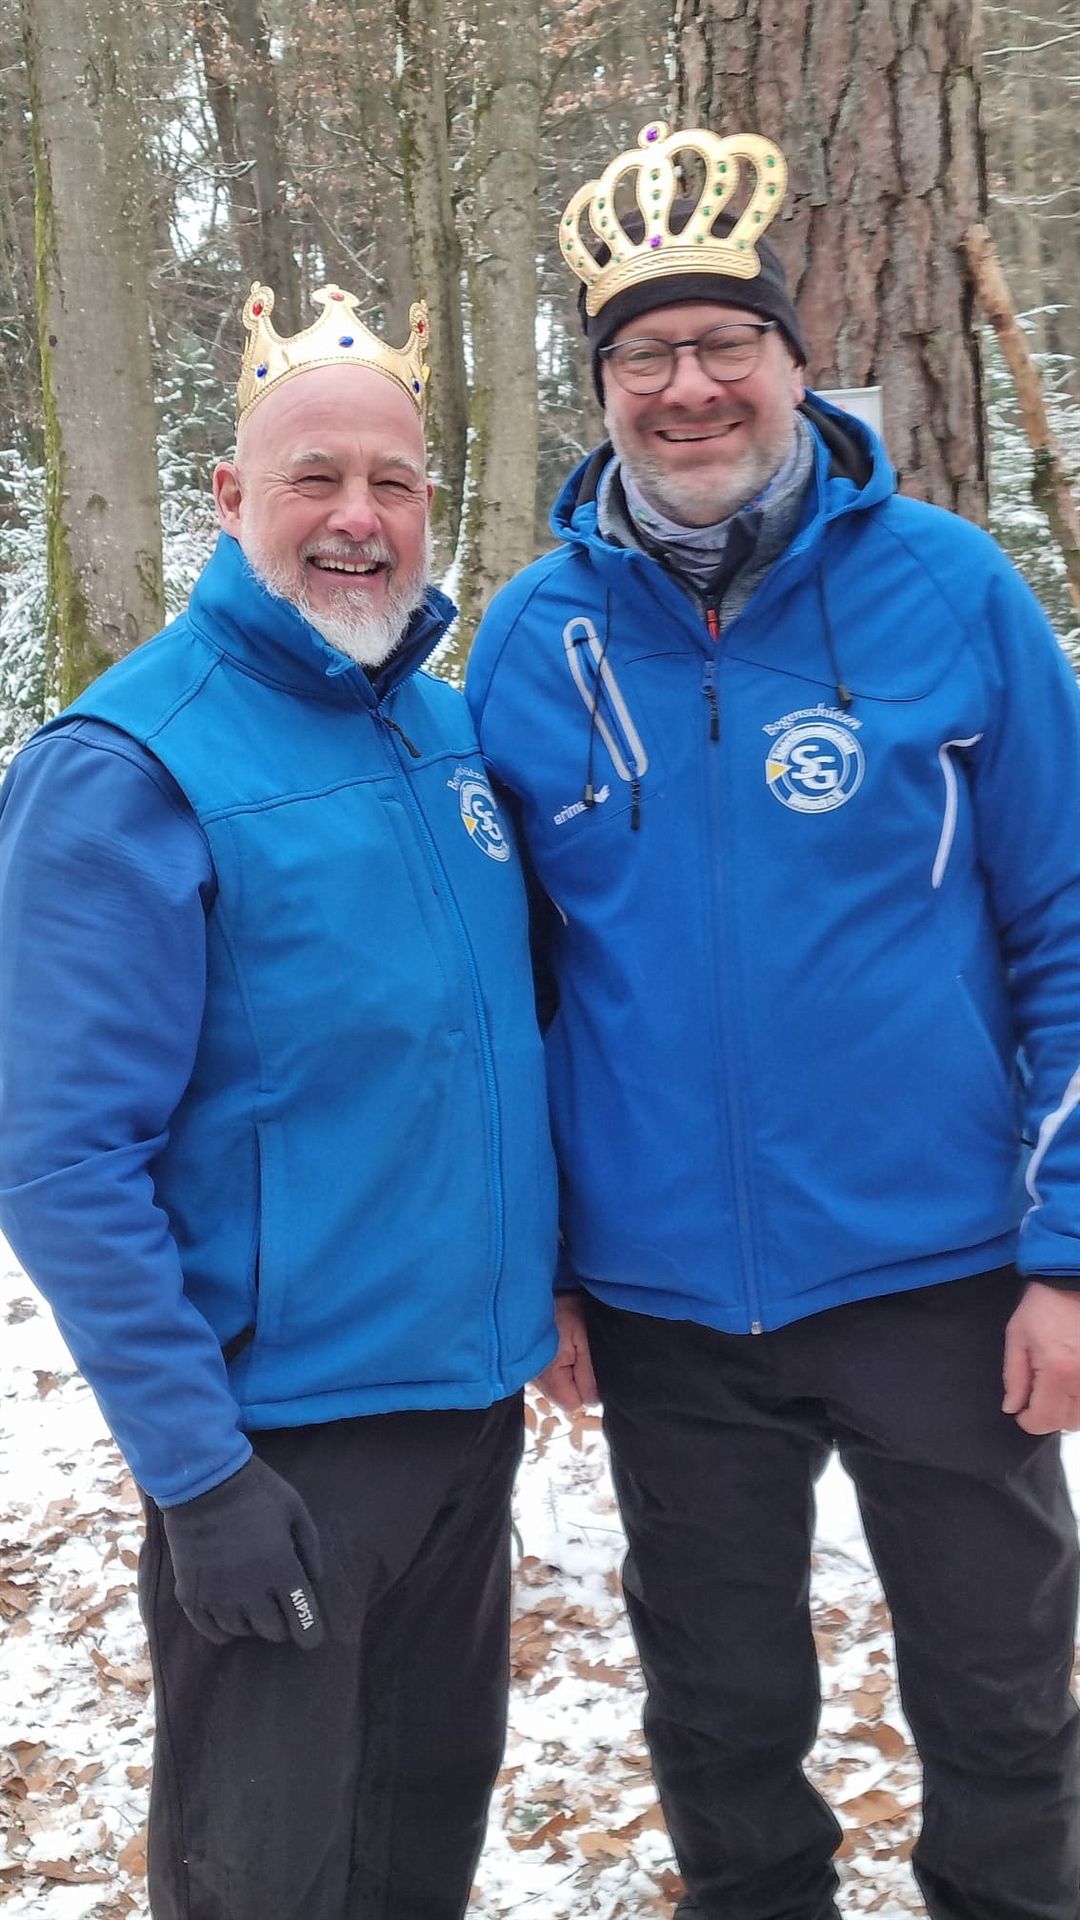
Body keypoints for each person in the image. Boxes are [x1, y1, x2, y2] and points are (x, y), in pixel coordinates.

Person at [466, 117, 1080, 1920]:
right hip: (663, 1298)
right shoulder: (531, 640)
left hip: (940, 1269)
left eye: (727, 341)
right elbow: (510, 989)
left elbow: (1067, 921)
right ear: (601, 390)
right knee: (722, 1716)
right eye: (644, 355)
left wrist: (1066, 1251)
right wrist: (544, 1268)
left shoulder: (952, 593)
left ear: (798, 359)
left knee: (1000, 1697)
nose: (690, 388)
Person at [0, 279, 558, 1920]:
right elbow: (57, 1154)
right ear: (231, 495)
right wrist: (199, 1476)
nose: (357, 518)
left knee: (416, 1848)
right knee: (267, 1878)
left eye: (393, 483)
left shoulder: (443, 732)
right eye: (315, 478)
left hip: (464, 1418)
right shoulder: (127, 765)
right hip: (277, 1453)